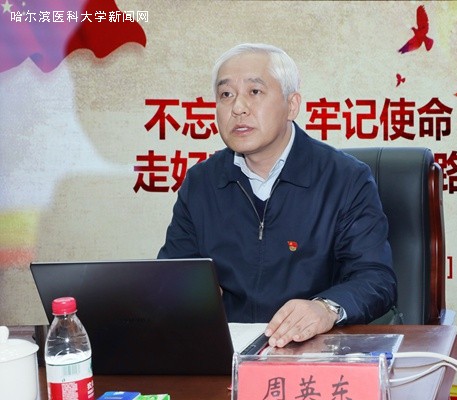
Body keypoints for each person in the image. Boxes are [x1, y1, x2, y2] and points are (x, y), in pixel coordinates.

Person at [158, 43, 397, 348]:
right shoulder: (201, 183)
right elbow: (175, 274)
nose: (238, 108)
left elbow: (376, 278)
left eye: (255, 92)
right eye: (226, 94)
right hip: (225, 353)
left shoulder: (345, 179)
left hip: (314, 349)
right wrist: (185, 294)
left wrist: (326, 309)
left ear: (292, 105)